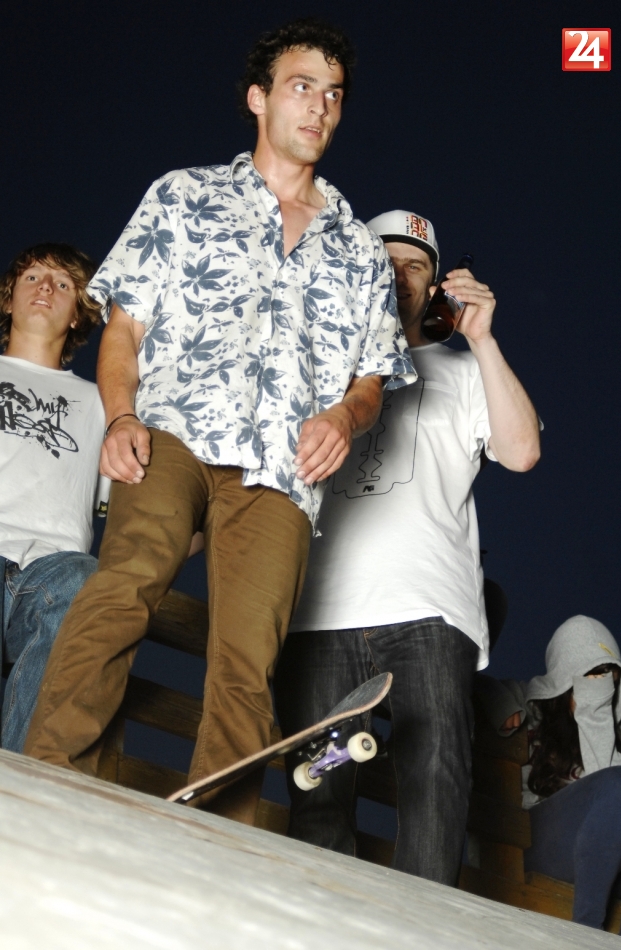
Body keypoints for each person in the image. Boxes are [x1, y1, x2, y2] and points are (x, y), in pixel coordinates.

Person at [24, 19, 414, 824]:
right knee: (127, 583)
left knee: (248, 656)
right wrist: (120, 417)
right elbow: (124, 329)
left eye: (334, 94)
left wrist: (346, 416)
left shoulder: (358, 250)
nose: (320, 107)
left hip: (282, 471)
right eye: (302, 87)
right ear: (259, 98)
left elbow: (373, 378)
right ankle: (48, 775)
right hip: (172, 430)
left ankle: (215, 832)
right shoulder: (182, 195)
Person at [274, 209, 541, 884]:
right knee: (318, 795)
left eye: (415, 265)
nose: (398, 275)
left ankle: (424, 925)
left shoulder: (463, 370)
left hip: (427, 613)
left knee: (434, 784)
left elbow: (521, 451)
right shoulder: (317, 370)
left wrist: (482, 340)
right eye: (385, 261)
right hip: (318, 615)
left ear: (435, 287)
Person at [0, 242, 104, 752]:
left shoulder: (102, 403)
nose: (45, 287)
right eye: (33, 278)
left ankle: (17, 778)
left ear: (78, 312)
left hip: (52, 568)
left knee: (84, 579)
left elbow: (133, 507)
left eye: (63, 284)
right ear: (9, 299)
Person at [476, 616, 621, 935]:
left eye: (608, 680)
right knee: (620, 786)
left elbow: (617, 812)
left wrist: (595, 711)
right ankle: (587, 936)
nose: (599, 688)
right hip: (528, 842)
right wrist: (499, 702)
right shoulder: (526, 704)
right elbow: (463, 680)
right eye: (591, 677)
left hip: (603, 853)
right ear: (564, 679)